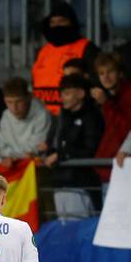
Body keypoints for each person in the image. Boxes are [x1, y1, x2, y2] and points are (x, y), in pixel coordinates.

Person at [31, 2, 100, 116]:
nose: (57, 26)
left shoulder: (87, 48)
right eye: (53, 22)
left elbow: (96, 82)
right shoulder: (44, 51)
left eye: (62, 21)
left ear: (71, 23)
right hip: (41, 117)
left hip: (72, 117)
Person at [45, 74, 104, 205]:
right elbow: (56, 144)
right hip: (61, 182)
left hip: (82, 184)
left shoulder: (92, 116)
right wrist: (51, 153)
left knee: (80, 223)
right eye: (62, 94)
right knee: (65, 223)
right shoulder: (63, 117)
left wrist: (61, 155)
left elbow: (90, 148)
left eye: (67, 94)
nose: (62, 98)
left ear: (81, 93)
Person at [91, 52, 131, 184]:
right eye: (101, 73)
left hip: (124, 170)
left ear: (120, 73)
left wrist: (106, 104)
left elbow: (126, 130)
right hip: (107, 170)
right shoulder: (104, 98)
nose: (106, 77)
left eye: (110, 71)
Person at [0, 77, 53, 165]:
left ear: (29, 97)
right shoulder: (6, 115)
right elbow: (0, 148)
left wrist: (10, 155)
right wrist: (12, 156)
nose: (14, 108)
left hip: (38, 168)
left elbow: (36, 148)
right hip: (13, 167)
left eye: (18, 101)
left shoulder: (42, 115)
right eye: (9, 102)